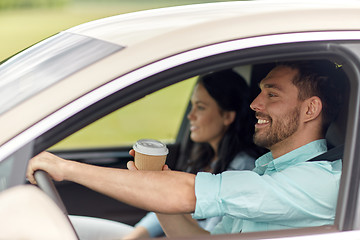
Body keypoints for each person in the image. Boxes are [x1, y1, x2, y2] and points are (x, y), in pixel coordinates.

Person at [27, 60, 345, 237]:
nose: (255, 104)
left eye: (271, 95)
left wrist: (66, 168)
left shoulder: (322, 181)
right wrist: (158, 191)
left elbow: (187, 193)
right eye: (259, 92)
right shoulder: (271, 171)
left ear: (310, 110)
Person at [123, 70, 264, 239]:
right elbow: (167, 209)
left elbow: (212, 234)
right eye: (192, 105)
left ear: (227, 116)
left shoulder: (243, 170)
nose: (191, 115)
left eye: (201, 107)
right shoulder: (203, 157)